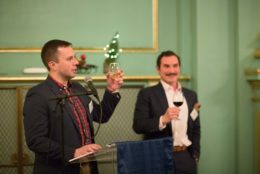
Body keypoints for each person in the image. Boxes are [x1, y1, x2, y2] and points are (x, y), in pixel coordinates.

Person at [23, 39, 124, 174]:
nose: (76, 62)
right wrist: (74, 152)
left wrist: (112, 90)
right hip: (58, 170)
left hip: (88, 168)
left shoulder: (78, 88)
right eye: (70, 58)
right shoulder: (38, 94)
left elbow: (101, 115)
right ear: (53, 64)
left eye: (75, 57)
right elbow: (36, 141)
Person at [133, 50, 201, 174]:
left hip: (186, 157)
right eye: (166, 66)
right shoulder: (147, 94)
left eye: (175, 66)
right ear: (158, 69)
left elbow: (195, 127)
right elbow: (138, 125)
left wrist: (195, 155)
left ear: (179, 68)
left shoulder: (191, 95)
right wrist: (163, 119)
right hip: (157, 158)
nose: (171, 71)